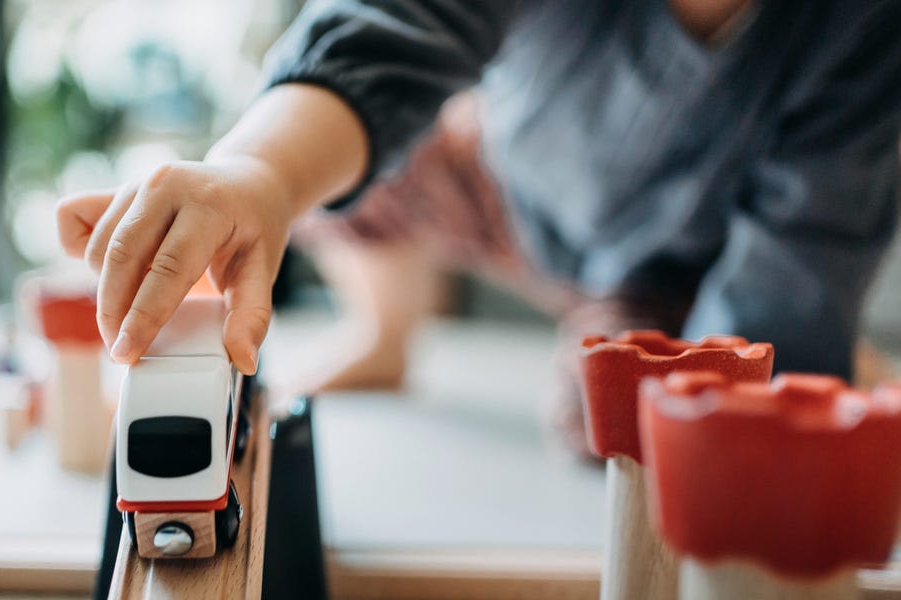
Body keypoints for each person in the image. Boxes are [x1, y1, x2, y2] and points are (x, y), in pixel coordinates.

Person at [57, 0, 901, 456]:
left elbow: (803, 249)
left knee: (615, 425)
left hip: (676, 272)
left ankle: (824, 364)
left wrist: (757, 383)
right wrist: (259, 173)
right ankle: (383, 335)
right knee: (327, 156)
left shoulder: (862, 28)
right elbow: (392, 26)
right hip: (500, 185)